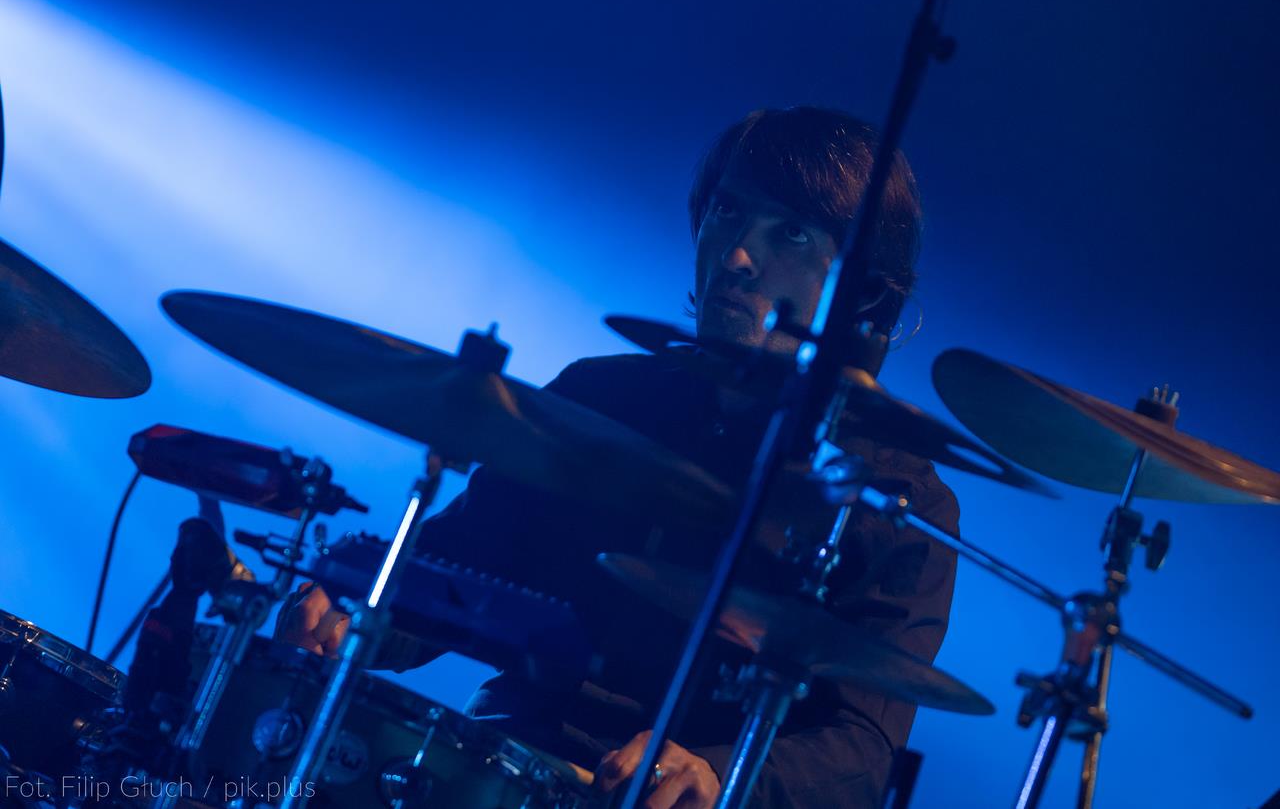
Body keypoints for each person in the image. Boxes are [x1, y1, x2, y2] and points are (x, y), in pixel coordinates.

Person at [278, 106, 959, 808]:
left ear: (863, 288)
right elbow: (456, 572)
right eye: (727, 211)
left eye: (789, 231)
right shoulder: (595, 399)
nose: (736, 256)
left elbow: (862, 746)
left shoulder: (901, 502)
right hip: (503, 761)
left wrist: (719, 773)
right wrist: (357, 608)